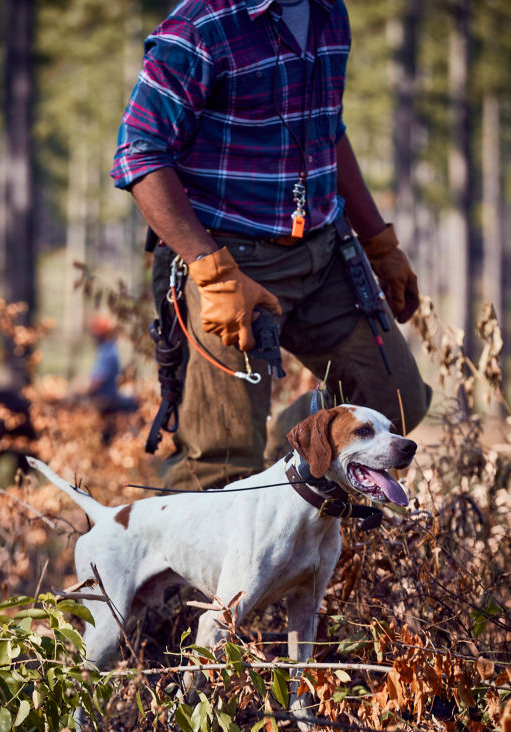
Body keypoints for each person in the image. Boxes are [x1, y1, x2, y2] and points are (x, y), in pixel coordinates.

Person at [111, 0, 431, 490]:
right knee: (217, 465)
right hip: (226, 258)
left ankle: (297, 454)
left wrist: (379, 242)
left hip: (324, 254)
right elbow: (140, 152)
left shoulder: (328, 14)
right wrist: (212, 271)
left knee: (395, 399)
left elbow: (327, 129)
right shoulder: (201, 27)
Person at [88, 315, 138, 424]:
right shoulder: (108, 349)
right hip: (107, 397)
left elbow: (97, 380)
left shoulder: (106, 351)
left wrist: (85, 393)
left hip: (106, 398)